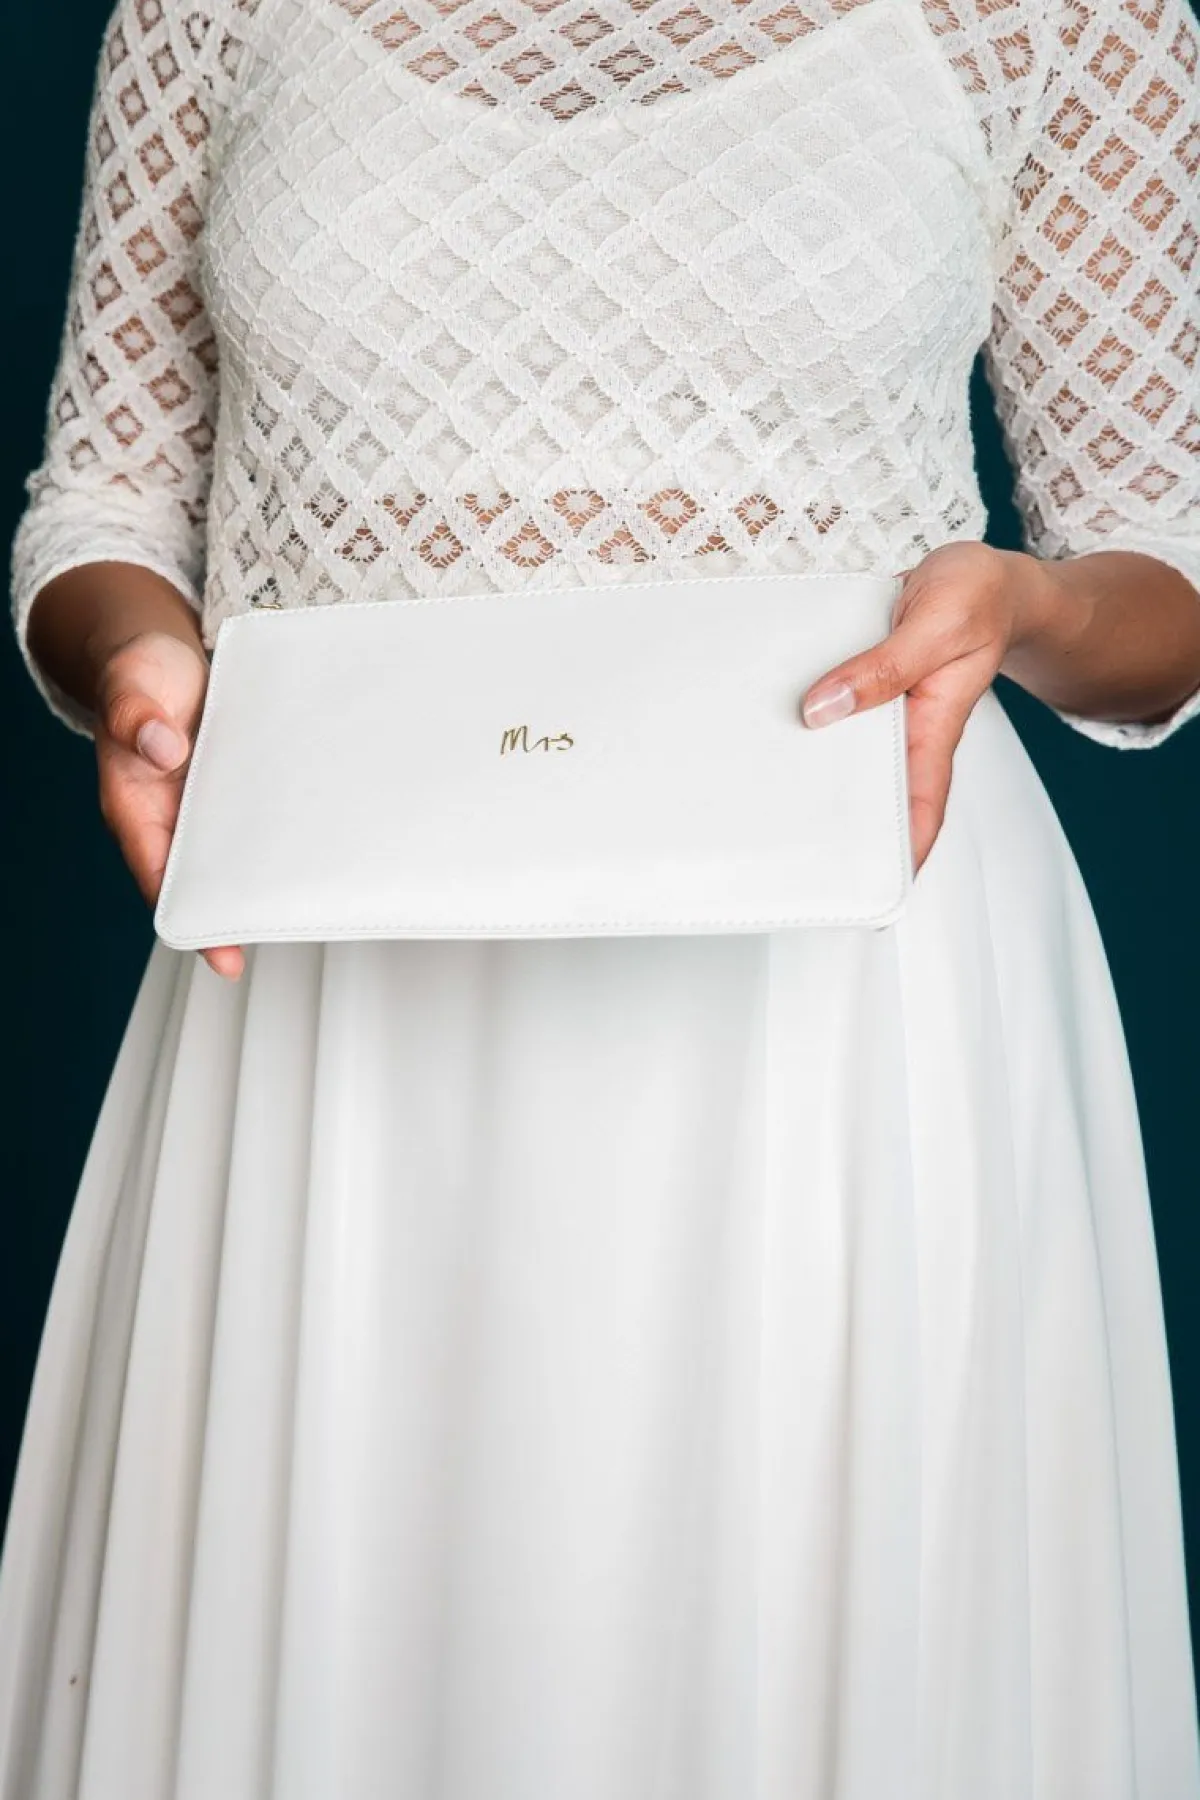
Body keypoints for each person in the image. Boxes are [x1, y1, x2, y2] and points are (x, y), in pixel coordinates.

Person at [4, 0, 1200, 1791]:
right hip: (334, 958)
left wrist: (1025, 605)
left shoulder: (1064, 19)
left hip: (846, 977)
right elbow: (102, 500)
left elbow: (1165, 570)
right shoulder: (209, 14)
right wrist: (132, 662)